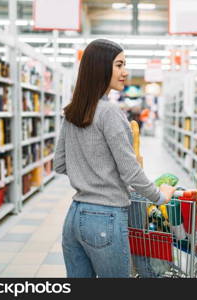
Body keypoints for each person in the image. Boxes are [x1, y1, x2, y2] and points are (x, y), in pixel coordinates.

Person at [53, 39, 176, 278]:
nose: (125, 72)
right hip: (105, 219)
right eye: (119, 65)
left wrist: (89, 174)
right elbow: (130, 172)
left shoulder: (72, 112)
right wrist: (161, 196)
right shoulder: (110, 113)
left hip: (74, 217)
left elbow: (60, 164)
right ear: (100, 68)